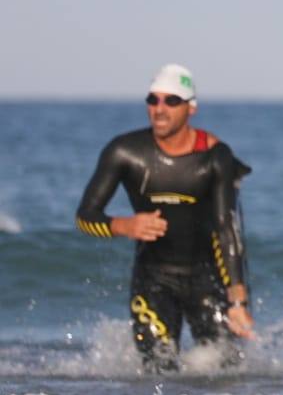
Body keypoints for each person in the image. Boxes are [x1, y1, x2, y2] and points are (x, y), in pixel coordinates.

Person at [75, 64, 256, 370]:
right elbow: (84, 216)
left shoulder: (215, 157)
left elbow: (228, 229)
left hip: (208, 279)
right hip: (153, 280)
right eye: (153, 100)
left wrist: (238, 301)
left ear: (191, 108)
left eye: (171, 101)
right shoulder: (124, 152)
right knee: (158, 371)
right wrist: (123, 225)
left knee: (226, 372)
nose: (159, 109)